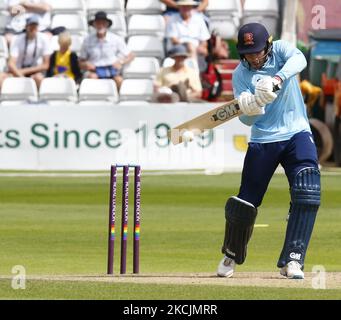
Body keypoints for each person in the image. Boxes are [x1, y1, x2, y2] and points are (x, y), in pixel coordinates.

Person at [217, 23, 321, 280]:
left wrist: (276, 79)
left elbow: (300, 60)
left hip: (297, 132)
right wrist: (253, 107)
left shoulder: (283, 52)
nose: (253, 56)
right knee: (246, 201)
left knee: (307, 190)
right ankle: (232, 252)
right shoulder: (240, 75)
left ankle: (293, 260)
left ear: (269, 45)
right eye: (247, 52)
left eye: (257, 51)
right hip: (264, 139)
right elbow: (247, 122)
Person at [79, 11, 135, 90]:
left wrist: (120, 62)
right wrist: (86, 64)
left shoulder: (116, 39)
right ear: (94, 25)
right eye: (98, 23)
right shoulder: (87, 40)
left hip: (112, 70)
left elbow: (131, 55)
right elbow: (81, 61)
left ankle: (119, 101)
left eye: (103, 23)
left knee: (119, 81)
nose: (100, 25)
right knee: (91, 78)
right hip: (95, 70)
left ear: (107, 25)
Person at [0, 15, 51, 88]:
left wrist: (23, 72)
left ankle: (39, 99)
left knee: (39, 78)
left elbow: (45, 65)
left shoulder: (44, 39)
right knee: (1, 77)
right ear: (26, 26)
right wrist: (21, 76)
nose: (33, 28)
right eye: (31, 26)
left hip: (33, 73)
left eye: (35, 26)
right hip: (17, 72)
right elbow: (11, 63)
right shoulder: (17, 39)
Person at [166, 0, 210, 71]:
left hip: (196, 47)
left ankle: (194, 74)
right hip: (177, 47)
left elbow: (204, 40)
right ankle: (194, 74)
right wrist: (188, 46)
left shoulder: (199, 19)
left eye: (188, 6)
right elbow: (174, 40)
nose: (185, 9)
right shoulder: (173, 19)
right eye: (183, 6)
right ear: (179, 7)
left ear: (191, 7)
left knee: (202, 50)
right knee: (191, 48)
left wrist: (202, 46)